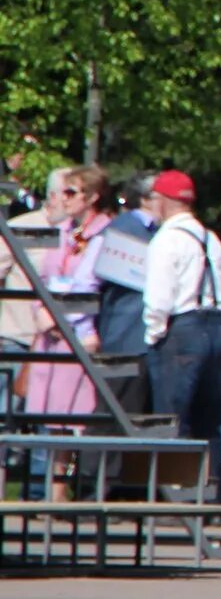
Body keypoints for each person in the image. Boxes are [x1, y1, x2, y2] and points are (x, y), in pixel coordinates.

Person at [20, 166, 115, 500]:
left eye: (72, 192)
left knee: (74, 414)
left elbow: (89, 285)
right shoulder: (61, 232)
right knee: (50, 415)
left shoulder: (104, 235)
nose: (64, 199)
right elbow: (43, 280)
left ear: (92, 197)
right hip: (50, 333)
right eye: (63, 192)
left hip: (80, 334)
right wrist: (41, 311)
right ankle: (51, 490)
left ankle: (64, 492)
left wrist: (62, 318)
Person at [140, 170, 221, 478]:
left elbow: (159, 298)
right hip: (215, 327)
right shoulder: (211, 239)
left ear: (164, 201)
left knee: (172, 417)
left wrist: (154, 335)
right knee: (210, 419)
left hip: (182, 329)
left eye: (153, 198)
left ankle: (175, 495)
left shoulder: (166, 240)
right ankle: (212, 495)